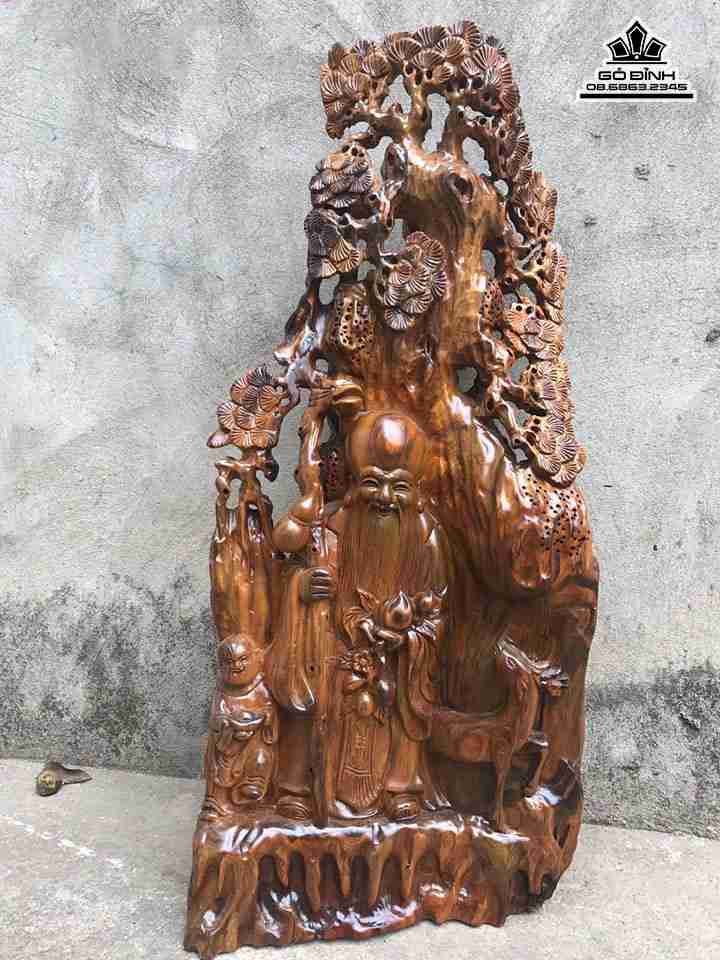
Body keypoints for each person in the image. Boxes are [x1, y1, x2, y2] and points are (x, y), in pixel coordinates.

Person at [270, 411, 450, 821]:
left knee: (407, 689)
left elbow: (438, 607)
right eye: (372, 482)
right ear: (355, 482)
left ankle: (401, 786)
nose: (384, 497)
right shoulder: (335, 524)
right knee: (310, 680)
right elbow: (303, 571)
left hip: (399, 652)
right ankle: (300, 784)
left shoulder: (426, 534)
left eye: (398, 486)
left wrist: (410, 638)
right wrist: (303, 587)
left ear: (415, 488)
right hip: (338, 645)